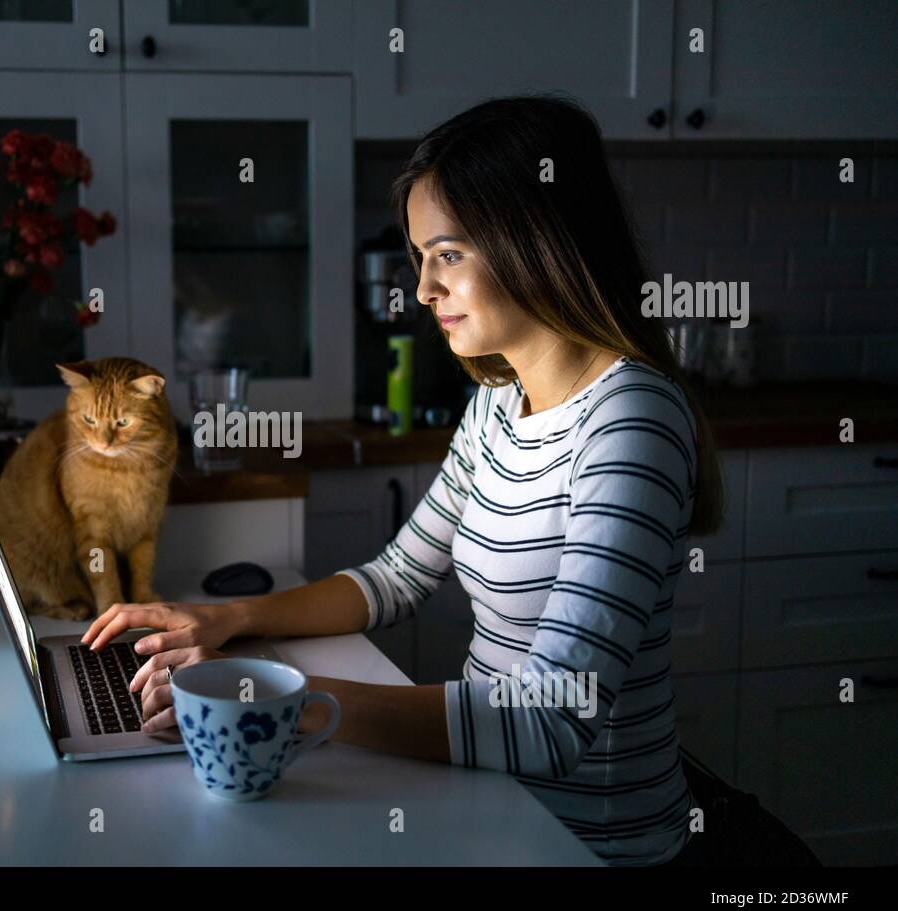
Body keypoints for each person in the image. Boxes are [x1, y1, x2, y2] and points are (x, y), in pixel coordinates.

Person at [79, 95, 724, 867]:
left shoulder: (630, 422)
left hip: (589, 847)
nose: (422, 289)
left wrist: (280, 692)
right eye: (421, 258)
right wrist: (226, 621)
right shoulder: (497, 399)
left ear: (536, 240)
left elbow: (549, 721)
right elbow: (396, 577)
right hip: (493, 803)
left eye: (446, 254)